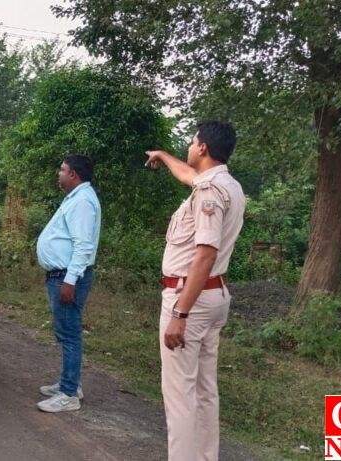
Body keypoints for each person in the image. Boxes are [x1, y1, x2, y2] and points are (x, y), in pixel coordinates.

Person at [144, 121, 244, 461]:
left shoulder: (208, 192)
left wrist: (180, 313)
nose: (188, 147)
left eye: (191, 142)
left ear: (202, 148)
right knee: (204, 390)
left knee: (180, 395)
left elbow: (205, 254)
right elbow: (188, 174)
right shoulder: (227, 185)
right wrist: (163, 155)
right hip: (214, 295)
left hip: (190, 298)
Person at [34, 154, 101, 413]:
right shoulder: (76, 198)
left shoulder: (82, 201)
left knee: (69, 333)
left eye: (62, 169)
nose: (59, 173)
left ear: (73, 174)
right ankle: (69, 382)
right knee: (66, 331)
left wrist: (70, 281)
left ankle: (69, 394)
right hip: (62, 275)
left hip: (67, 276)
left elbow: (83, 246)